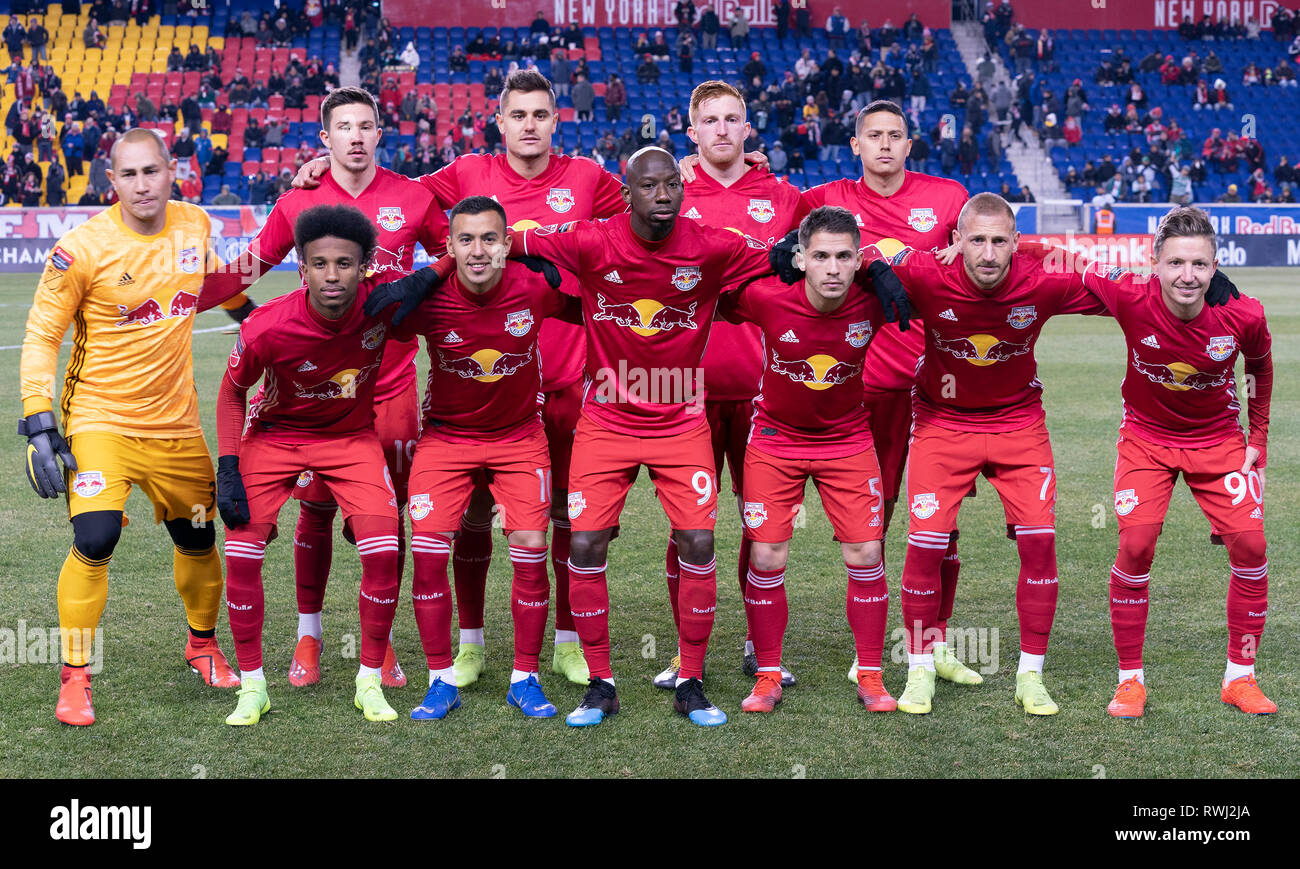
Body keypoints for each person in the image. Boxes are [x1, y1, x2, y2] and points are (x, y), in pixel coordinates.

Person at [295, 70, 627, 688]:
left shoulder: (587, 178)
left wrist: (712, 163)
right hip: (479, 399)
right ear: (498, 122)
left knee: (565, 519)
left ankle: (566, 642)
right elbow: (388, 198)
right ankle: (470, 644)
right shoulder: (467, 174)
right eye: (518, 115)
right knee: (473, 516)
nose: (530, 125)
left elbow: (648, 209)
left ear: (557, 120)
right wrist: (325, 169)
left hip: (569, 381)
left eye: (541, 114)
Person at [514, 147, 776, 727]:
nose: (663, 196)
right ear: (625, 191)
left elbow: (785, 259)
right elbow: (500, 240)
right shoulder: (589, 239)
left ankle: (690, 680)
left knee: (698, 544)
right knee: (584, 545)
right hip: (605, 417)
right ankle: (600, 683)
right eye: (648, 186)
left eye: (671, 186)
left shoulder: (712, 244)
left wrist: (874, 267)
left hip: (681, 420)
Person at [201, 88, 449, 688]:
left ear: (380, 133)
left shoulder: (414, 195)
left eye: (366, 125)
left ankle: (379, 645)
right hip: (314, 397)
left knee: (383, 524)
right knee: (314, 510)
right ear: (325, 139)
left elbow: (456, 254)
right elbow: (251, 265)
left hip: (388, 384)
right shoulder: (301, 198)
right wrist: (175, 300)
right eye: (345, 127)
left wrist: (421, 280)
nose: (357, 137)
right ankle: (309, 637)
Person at [18, 128, 247, 727]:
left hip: (176, 426)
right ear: (111, 181)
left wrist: (265, 326)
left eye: (153, 171)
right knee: (95, 537)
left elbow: (219, 284)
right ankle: (74, 675)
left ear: (173, 172)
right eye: (130, 175)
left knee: (198, 538)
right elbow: (43, 335)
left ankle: (202, 644)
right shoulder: (81, 248)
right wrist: (40, 424)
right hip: (102, 420)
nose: (142, 185)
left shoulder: (194, 224)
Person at [870, 193, 1119, 716]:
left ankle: (1031, 675)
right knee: (926, 546)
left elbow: (1122, 290)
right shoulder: (925, 270)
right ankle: (918, 669)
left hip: (1019, 425)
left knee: (1040, 546)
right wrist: (877, 266)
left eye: (1000, 241)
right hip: (943, 423)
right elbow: (860, 249)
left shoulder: (1044, 278)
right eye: (976, 240)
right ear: (955, 241)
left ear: (1015, 242)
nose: (987, 253)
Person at [1039, 208, 1273, 718]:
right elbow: (1066, 262)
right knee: (1136, 544)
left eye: (1198, 264)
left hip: (1219, 442)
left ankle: (1241, 677)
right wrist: (1008, 247)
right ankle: (1130, 683)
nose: (1187, 275)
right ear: (1155, 263)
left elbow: (1258, 366)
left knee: (1251, 545)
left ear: (1216, 266)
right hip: (1146, 441)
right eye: (1175, 263)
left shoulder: (1244, 314)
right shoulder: (1128, 294)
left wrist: (1260, 435)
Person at [368, 196, 581, 720]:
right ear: (449, 246)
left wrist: (560, 266)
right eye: (465, 240)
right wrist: (432, 272)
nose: (478, 250)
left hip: (519, 438)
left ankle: (525, 677)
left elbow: (599, 297)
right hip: (446, 439)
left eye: (490, 239)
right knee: (429, 551)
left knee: (532, 546)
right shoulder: (429, 297)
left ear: (508, 244)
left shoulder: (535, 288)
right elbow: (372, 312)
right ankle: (441, 678)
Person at [794, 101, 978, 687]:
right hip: (862, 386)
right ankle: (868, 648)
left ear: (909, 142)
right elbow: (772, 232)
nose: (884, 145)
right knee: (876, 514)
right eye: (873, 135)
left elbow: (987, 250)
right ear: (854, 144)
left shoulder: (949, 198)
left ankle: (935, 641)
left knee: (941, 522)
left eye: (895, 135)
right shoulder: (822, 200)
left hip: (937, 386)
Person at [216, 203, 405, 726]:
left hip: (350, 438)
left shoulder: (382, 305)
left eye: (344, 263)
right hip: (276, 438)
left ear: (363, 266)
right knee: (243, 551)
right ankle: (253, 686)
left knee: (384, 547)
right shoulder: (267, 326)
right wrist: (228, 466)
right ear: (301, 268)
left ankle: (368, 679)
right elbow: (232, 392)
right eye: (319, 264)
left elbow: (448, 276)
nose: (332, 275)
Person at [649, 81, 809, 688]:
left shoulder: (785, 198)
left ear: (749, 129)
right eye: (709, 120)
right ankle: (681, 650)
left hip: (763, 386)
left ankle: (755, 642)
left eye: (732, 119)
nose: (720, 129)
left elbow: (836, 244)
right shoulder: (666, 193)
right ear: (691, 133)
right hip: (680, 388)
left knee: (759, 520)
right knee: (688, 525)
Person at [722, 206, 895, 713]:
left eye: (845, 256)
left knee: (866, 554)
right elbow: (709, 279)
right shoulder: (767, 296)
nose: (834, 268)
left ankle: (871, 676)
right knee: (766, 557)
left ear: (860, 259)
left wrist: (886, 268)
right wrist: (759, 260)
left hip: (848, 441)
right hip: (775, 441)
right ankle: (767, 675)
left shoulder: (874, 299)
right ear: (801, 259)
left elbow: (943, 272)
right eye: (821, 256)